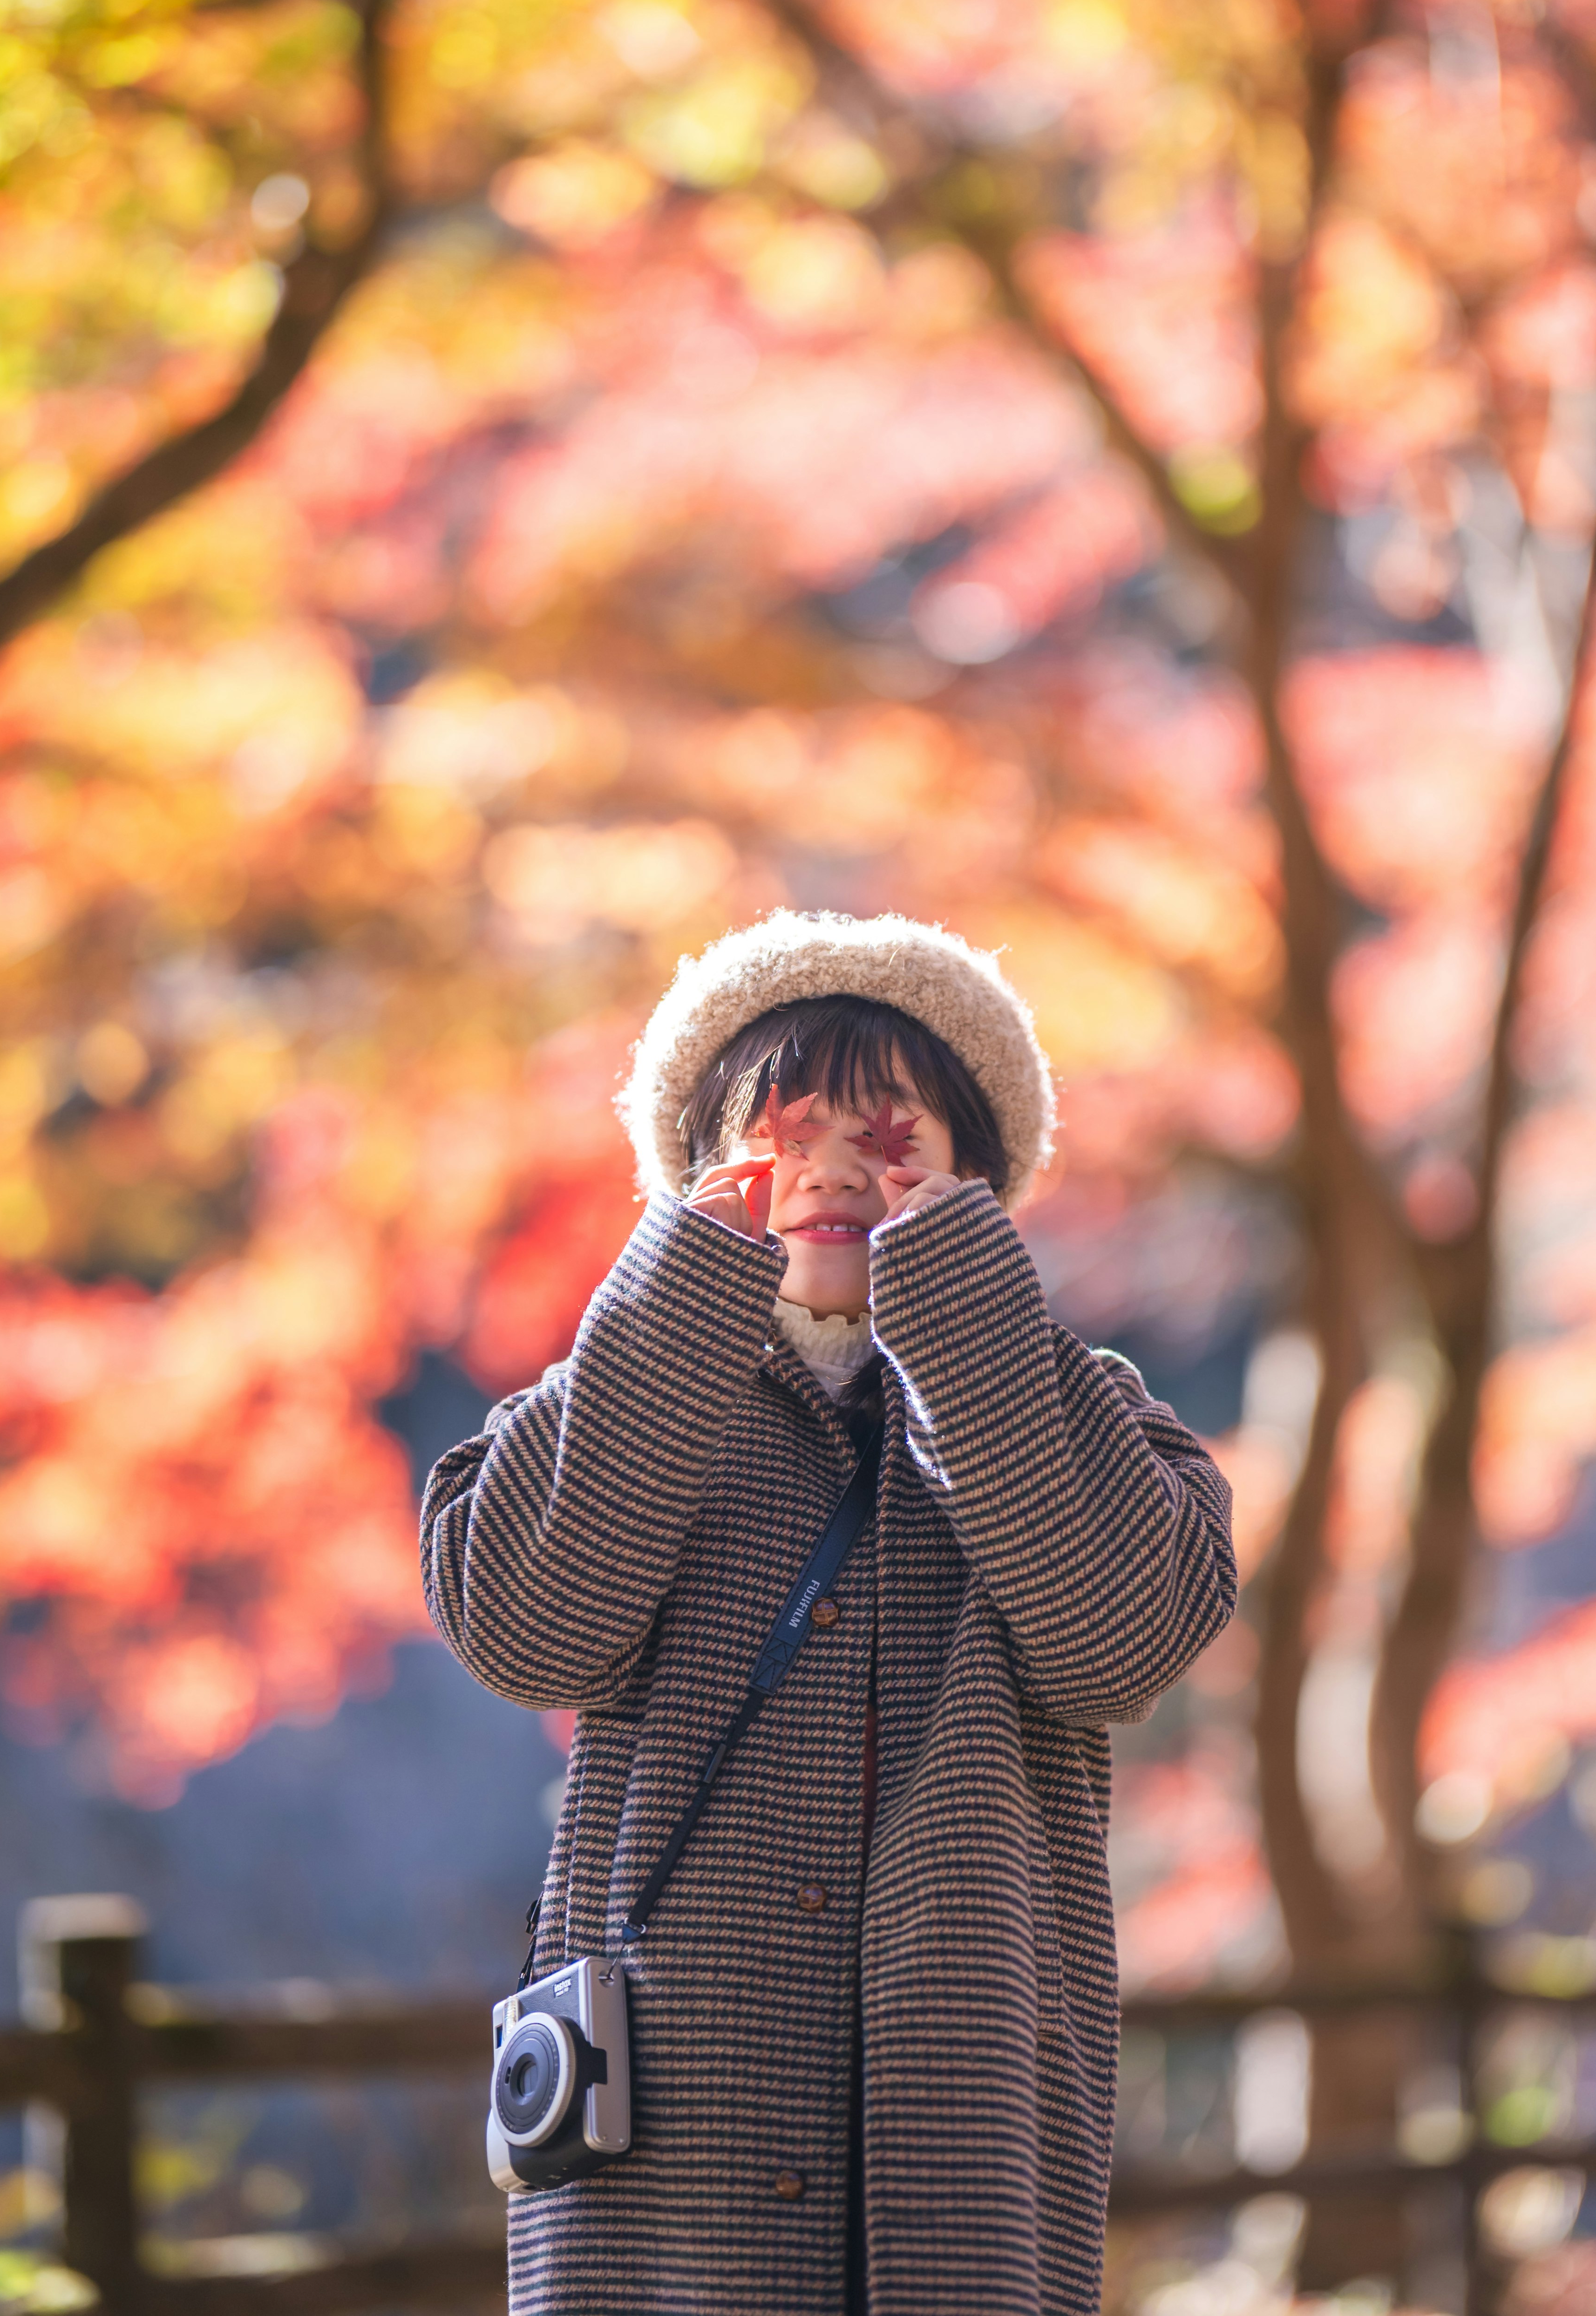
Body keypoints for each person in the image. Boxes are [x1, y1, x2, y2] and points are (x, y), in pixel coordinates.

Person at [422, 910, 1237, 2316]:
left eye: (894, 1133)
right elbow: (526, 1632)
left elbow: (1118, 1644)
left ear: (981, 1182)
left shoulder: (1081, 1417)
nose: (836, 1169)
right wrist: (688, 1283)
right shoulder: (622, 1406)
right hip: (669, 2131)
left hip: (965, 2123)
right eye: (786, 1132)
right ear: (698, 1179)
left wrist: (957, 1311)